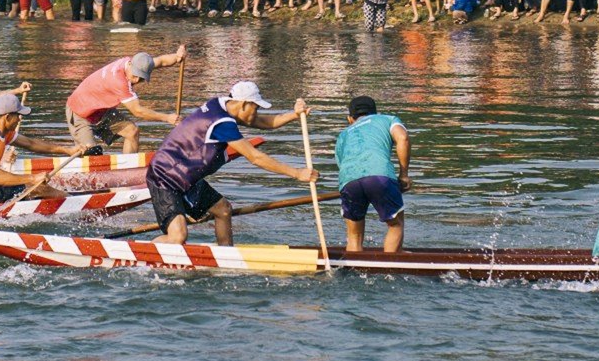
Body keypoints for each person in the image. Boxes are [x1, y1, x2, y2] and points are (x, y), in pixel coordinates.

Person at [144, 80, 317, 245]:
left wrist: (294, 115)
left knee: (223, 210)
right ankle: (141, 257)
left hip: (187, 177)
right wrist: (297, 173)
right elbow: (255, 157)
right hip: (165, 176)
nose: (256, 113)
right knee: (178, 237)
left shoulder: (220, 104)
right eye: (255, 108)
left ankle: (226, 256)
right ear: (243, 104)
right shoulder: (221, 123)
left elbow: (263, 122)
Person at [0, 91, 80, 206]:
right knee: (37, 188)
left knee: (35, 188)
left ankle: (71, 202)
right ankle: (78, 206)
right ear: (8, 117)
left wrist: (68, 150)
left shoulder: (3, 131)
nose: (20, 118)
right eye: (18, 115)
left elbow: (31, 144)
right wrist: (33, 178)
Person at [65, 48, 187, 152]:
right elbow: (138, 111)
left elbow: (160, 61)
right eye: (134, 76)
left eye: (141, 78)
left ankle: (129, 169)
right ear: (130, 66)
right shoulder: (119, 82)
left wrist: (177, 57)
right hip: (79, 111)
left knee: (132, 131)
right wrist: (167, 118)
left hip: (99, 110)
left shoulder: (136, 63)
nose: (136, 81)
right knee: (92, 154)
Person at [334, 95, 411, 253]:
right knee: (395, 224)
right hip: (379, 176)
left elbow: (342, 165)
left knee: (354, 236)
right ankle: (390, 266)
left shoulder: (343, 134)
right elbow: (403, 138)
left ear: (350, 119)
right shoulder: (387, 119)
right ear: (376, 112)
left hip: (348, 180)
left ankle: (355, 270)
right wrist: (404, 174)